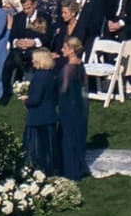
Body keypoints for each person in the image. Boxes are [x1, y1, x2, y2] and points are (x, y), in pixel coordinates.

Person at [20, 49, 58, 174]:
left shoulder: (39, 77)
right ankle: (50, 168)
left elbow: (35, 100)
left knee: (36, 148)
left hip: (38, 118)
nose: (32, 61)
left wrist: (26, 100)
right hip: (49, 115)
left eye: (34, 58)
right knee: (49, 147)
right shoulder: (51, 74)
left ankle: (36, 170)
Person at [57, 38, 89, 180]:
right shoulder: (80, 65)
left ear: (71, 49)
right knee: (76, 136)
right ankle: (78, 166)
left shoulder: (67, 68)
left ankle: (69, 169)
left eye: (64, 47)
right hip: (78, 105)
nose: (62, 49)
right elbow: (84, 85)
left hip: (68, 106)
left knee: (67, 138)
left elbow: (63, 90)